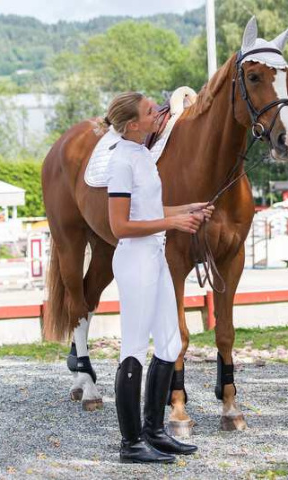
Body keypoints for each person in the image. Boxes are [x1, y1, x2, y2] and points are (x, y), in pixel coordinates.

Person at [105, 92, 214, 464]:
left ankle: (154, 431)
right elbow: (119, 225)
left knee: (169, 344)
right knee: (134, 348)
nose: (159, 113)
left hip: (154, 256)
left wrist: (188, 209)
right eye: (151, 111)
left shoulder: (142, 155)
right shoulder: (122, 161)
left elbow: (149, 208)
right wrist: (173, 222)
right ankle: (131, 443)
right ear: (133, 124)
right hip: (135, 260)